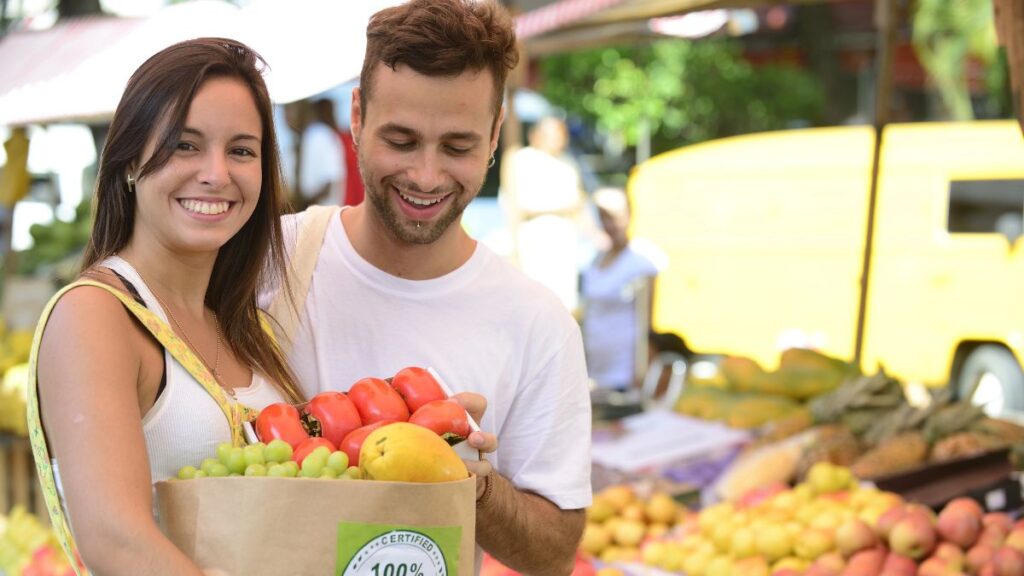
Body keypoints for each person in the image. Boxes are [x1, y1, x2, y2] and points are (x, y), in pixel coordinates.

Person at [258, 1, 591, 573]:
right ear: (358, 116)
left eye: (457, 147)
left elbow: (555, 552)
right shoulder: (266, 262)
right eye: (403, 140)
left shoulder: (536, 322)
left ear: (494, 134)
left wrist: (472, 485)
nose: (427, 176)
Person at [27, 38, 302, 575]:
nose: (217, 173)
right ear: (130, 161)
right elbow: (116, 540)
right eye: (185, 145)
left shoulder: (244, 327)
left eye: (242, 150)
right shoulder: (96, 314)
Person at [500, 116, 589, 314]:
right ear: (537, 136)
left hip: (564, 246)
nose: (559, 140)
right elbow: (517, 206)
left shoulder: (568, 163)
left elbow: (579, 204)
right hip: (534, 242)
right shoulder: (522, 160)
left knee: (563, 307)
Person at [581, 187, 666, 391]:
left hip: (626, 370)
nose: (611, 224)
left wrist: (643, 370)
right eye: (605, 217)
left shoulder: (642, 260)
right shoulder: (595, 260)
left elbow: (647, 322)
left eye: (616, 216)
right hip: (595, 368)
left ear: (629, 214)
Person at [284, 98, 345, 209]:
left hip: (321, 217)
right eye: (285, 111)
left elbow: (329, 183)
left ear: (303, 109)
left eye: (290, 109)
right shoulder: (296, 142)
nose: (286, 116)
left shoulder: (320, 135)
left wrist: (303, 206)